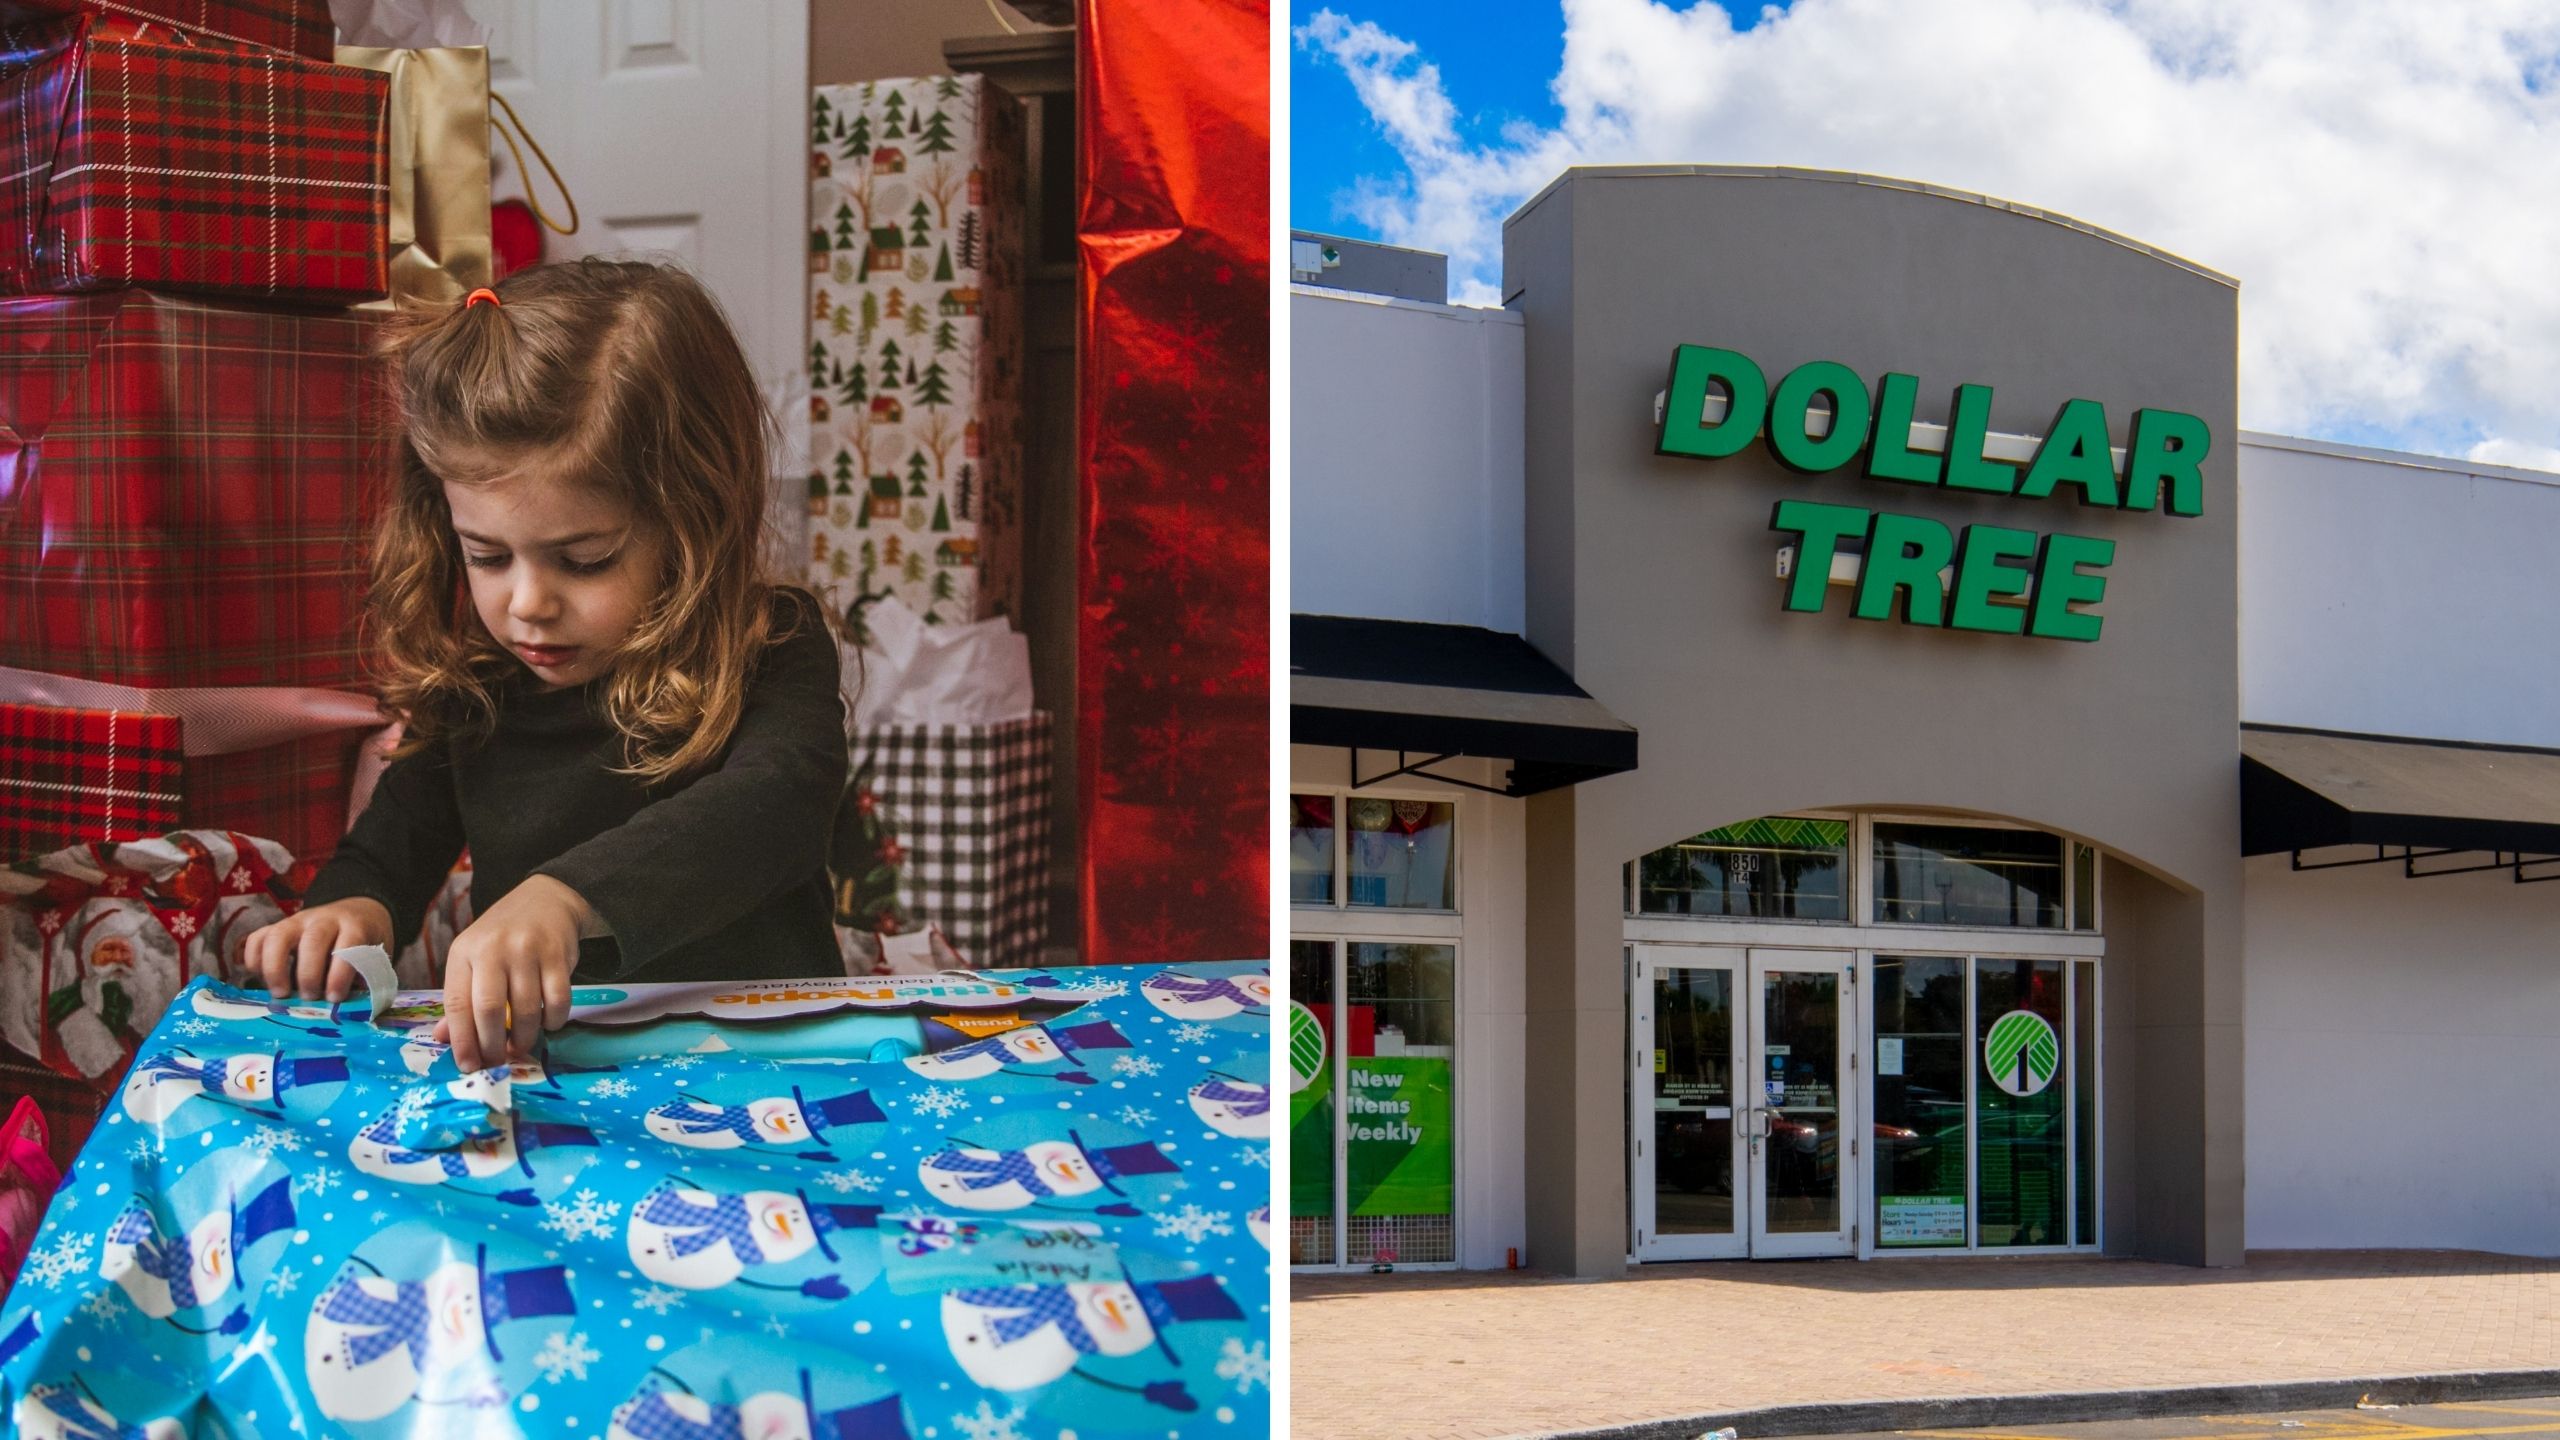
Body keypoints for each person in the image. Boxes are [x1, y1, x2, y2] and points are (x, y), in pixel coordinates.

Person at [244, 260, 849, 1072]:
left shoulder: (770, 642)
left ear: (691, 519)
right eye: (487, 555)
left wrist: (566, 898)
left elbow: (775, 804)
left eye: (585, 559)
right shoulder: (479, 688)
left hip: (766, 1070)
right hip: (558, 1081)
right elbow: (390, 851)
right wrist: (351, 910)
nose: (528, 603)